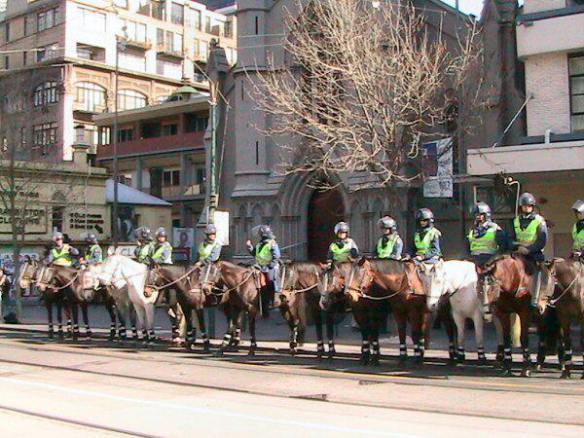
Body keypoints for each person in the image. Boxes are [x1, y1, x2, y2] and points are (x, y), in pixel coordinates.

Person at [509, 192, 548, 306]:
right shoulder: (515, 221)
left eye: (529, 206)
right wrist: (517, 247)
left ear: (533, 206)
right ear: (521, 206)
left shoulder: (539, 220)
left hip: (534, 253)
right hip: (519, 253)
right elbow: (510, 238)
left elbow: (542, 240)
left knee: (537, 269)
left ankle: (535, 297)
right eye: (525, 205)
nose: (527, 207)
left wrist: (529, 249)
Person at [246, 225, 282, 305]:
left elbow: (276, 256)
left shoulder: (272, 243)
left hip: (270, 267)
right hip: (260, 267)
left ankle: (272, 299)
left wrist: (270, 265)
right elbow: (255, 253)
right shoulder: (259, 244)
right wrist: (249, 247)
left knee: (270, 281)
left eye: (260, 234)